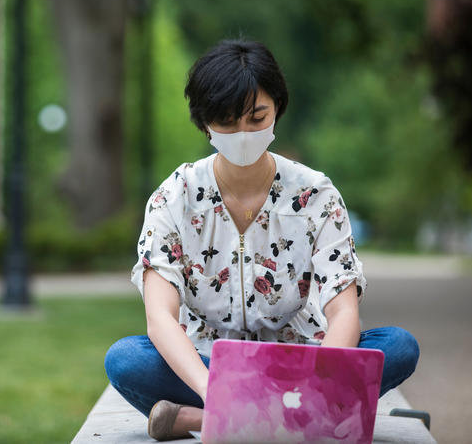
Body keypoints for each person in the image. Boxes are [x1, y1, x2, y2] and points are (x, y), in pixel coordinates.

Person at [103, 39, 420, 441]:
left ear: (277, 111)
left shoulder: (316, 195)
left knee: (397, 346)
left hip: (306, 360)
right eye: (227, 121)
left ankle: (196, 420)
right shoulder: (175, 197)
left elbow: (343, 313)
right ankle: (291, 417)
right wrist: (215, 392)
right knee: (128, 360)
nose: (243, 133)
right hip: (208, 365)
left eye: (257, 118)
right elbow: (160, 317)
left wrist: (313, 385)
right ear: (204, 123)